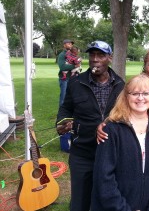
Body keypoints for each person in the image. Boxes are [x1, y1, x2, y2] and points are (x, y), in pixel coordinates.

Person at [56, 40, 125, 211]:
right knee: (80, 201)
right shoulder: (76, 82)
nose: (95, 59)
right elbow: (65, 108)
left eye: (100, 55)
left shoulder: (120, 84)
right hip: (82, 153)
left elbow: (125, 114)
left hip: (111, 154)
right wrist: (61, 123)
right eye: (92, 55)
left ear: (109, 58)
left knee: (107, 199)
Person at [91, 74, 149, 211]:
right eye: (135, 93)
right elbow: (104, 177)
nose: (140, 98)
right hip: (116, 206)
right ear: (126, 97)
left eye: (146, 93)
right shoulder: (112, 129)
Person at [96, 48, 149, 143]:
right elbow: (120, 108)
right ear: (145, 66)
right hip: (135, 134)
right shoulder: (135, 86)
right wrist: (106, 124)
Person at [57, 39, 79, 106]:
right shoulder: (62, 55)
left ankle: (70, 114)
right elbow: (63, 67)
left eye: (71, 44)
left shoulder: (73, 54)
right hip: (65, 79)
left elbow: (78, 63)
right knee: (63, 98)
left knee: (73, 97)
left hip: (73, 78)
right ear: (64, 45)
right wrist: (74, 66)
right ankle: (61, 115)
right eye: (68, 43)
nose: (70, 45)